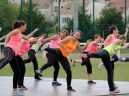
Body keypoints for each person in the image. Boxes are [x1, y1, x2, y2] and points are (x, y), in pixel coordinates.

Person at [0, 20, 38, 91]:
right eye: (25, 26)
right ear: (21, 26)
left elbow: (27, 37)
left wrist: (34, 31)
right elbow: (8, 35)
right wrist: (5, 44)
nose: (26, 28)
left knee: (18, 70)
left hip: (15, 53)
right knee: (8, 58)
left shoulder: (20, 33)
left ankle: (15, 89)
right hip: (9, 49)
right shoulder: (17, 30)